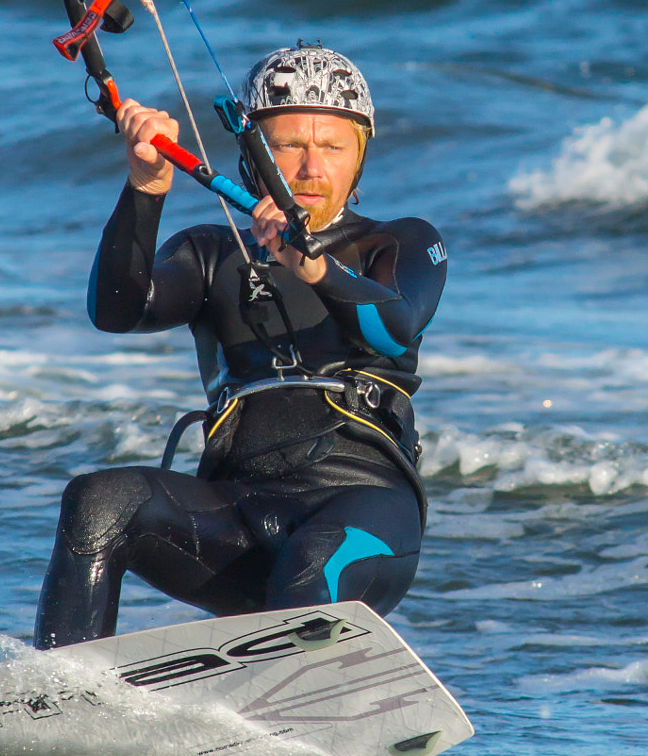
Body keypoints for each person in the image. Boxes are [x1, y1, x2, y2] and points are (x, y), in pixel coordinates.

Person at [34, 44, 448, 649]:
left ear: (358, 157)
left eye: (332, 147)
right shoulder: (211, 251)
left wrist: (312, 269)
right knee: (97, 502)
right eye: (288, 146)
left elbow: (394, 326)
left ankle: (295, 705)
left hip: (363, 506)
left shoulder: (400, 244)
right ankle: (59, 690)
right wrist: (146, 187)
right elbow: (118, 310)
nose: (311, 168)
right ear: (252, 154)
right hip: (236, 512)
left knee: (313, 561)